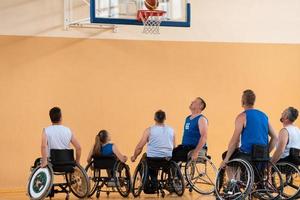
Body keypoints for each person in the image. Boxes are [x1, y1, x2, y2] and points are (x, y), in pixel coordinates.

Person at [220, 89, 278, 168]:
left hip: (247, 154)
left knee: (227, 156)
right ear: (253, 102)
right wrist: (266, 152)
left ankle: (233, 180)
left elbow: (235, 141)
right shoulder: (264, 116)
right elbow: (275, 138)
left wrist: (226, 159)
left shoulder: (242, 116)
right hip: (262, 155)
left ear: (242, 102)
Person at [131, 110, 175, 193]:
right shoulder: (171, 130)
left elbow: (140, 147)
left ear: (154, 118)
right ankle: (167, 182)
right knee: (152, 159)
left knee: (144, 159)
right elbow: (174, 147)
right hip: (167, 160)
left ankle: (149, 183)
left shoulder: (149, 130)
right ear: (165, 118)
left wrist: (134, 157)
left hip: (153, 160)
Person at [172, 97, 208, 162]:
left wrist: (196, 151)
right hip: (185, 147)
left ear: (201, 106)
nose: (192, 102)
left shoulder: (201, 119)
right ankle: (174, 171)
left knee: (176, 156)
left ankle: (175, 172)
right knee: (168, 154)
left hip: (194, 148)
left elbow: (204, 137)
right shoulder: (188, 118)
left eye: (194, 102)